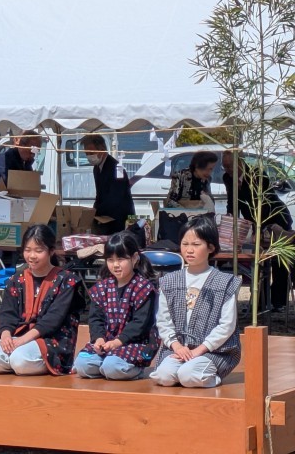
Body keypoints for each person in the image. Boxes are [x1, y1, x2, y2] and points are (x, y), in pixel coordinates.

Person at [150, 216, 241, 388]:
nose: (189, 250)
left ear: (210, 247)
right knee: (163, 376)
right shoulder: (169, 281)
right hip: (179, 349)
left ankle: (213, 375)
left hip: (213, 351)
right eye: (185, 244)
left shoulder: (224, 282)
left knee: (189, 375)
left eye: (196, 244)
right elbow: (163, 321)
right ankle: (185, 368)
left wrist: (199, 350)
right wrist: (177, 346)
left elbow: (227, 325)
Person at [0, 224, 84, 375]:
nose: (32, 256)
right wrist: (6, 337)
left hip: (52, 340)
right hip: (19, 336)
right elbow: (7, 314)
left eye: (39, 251)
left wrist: (22, 341)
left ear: (51, 251)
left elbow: (53, 320)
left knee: (20, 360)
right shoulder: (16, 280)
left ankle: (32, 363)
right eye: (27, 250)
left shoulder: (66, 281)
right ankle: (18, 362)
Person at [74, 231, 158, 380]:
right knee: (82, 365)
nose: (116, 265)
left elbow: (140, 323)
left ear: (135, 258)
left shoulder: (144, 288)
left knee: (111, 367)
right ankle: (106, 365)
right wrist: (99, 339)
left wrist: (118, 342)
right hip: (106, 344)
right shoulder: (102, 287)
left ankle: (134, 369)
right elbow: (95, 319)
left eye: (121, 259)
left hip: (134, 343)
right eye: (110, 260)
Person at [222, 150, 292, 312]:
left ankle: (278, 301)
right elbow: (232, 202)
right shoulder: (227, 178)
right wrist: (230, 221)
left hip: (275, 218)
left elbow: (264, 204)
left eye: (230, 166)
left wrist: (258, 229)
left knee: (278, 258)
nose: (228, 170)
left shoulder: (257, 175)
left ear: (240, 162)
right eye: (224, 166)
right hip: (254, 221)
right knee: (259, 261)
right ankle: (261, 302)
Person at [82, 134, 135, 235]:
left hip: (121, 221)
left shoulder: (117, 168)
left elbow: (116, 198)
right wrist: (93, 213)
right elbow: (99, 195)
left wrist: (97, 211)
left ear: (102, 150)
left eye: (91, 153)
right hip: (105, 220)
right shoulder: (96, 168)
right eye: (86, 153)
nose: (89, 156)